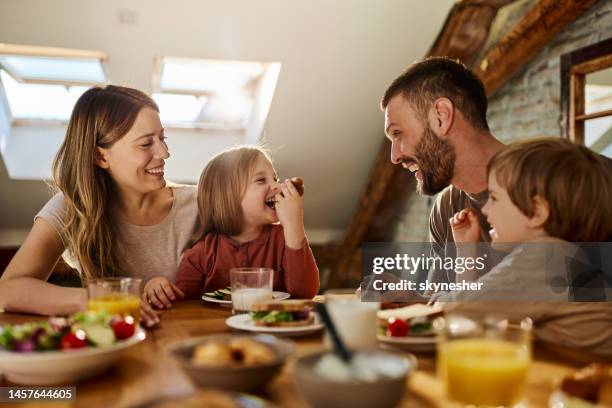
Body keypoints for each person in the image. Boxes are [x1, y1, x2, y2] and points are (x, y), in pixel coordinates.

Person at [0, 85, 197, 327]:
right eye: (146, 144)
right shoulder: (72, 207)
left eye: (162, 139)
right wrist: (97, 300)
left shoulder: (199, 204)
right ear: (101, 157)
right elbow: (7, 290)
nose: (164, 153)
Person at [441, 138, 612, 356]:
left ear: (537, 212)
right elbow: (469, 311)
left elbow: (454, 310)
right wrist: (466, 250)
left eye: (494, 198)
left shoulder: (546, 259)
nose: (485, 209)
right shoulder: (568, 256)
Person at [146, 146, 319, 305]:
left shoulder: (284, 239)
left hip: (270, 330)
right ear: (228, 197)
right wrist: (159, 287)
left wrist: (294, 226)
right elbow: (182, 304)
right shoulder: (203, 254)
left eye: (275, 178)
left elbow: (304, 294)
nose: (277, 185)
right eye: (261, 180)